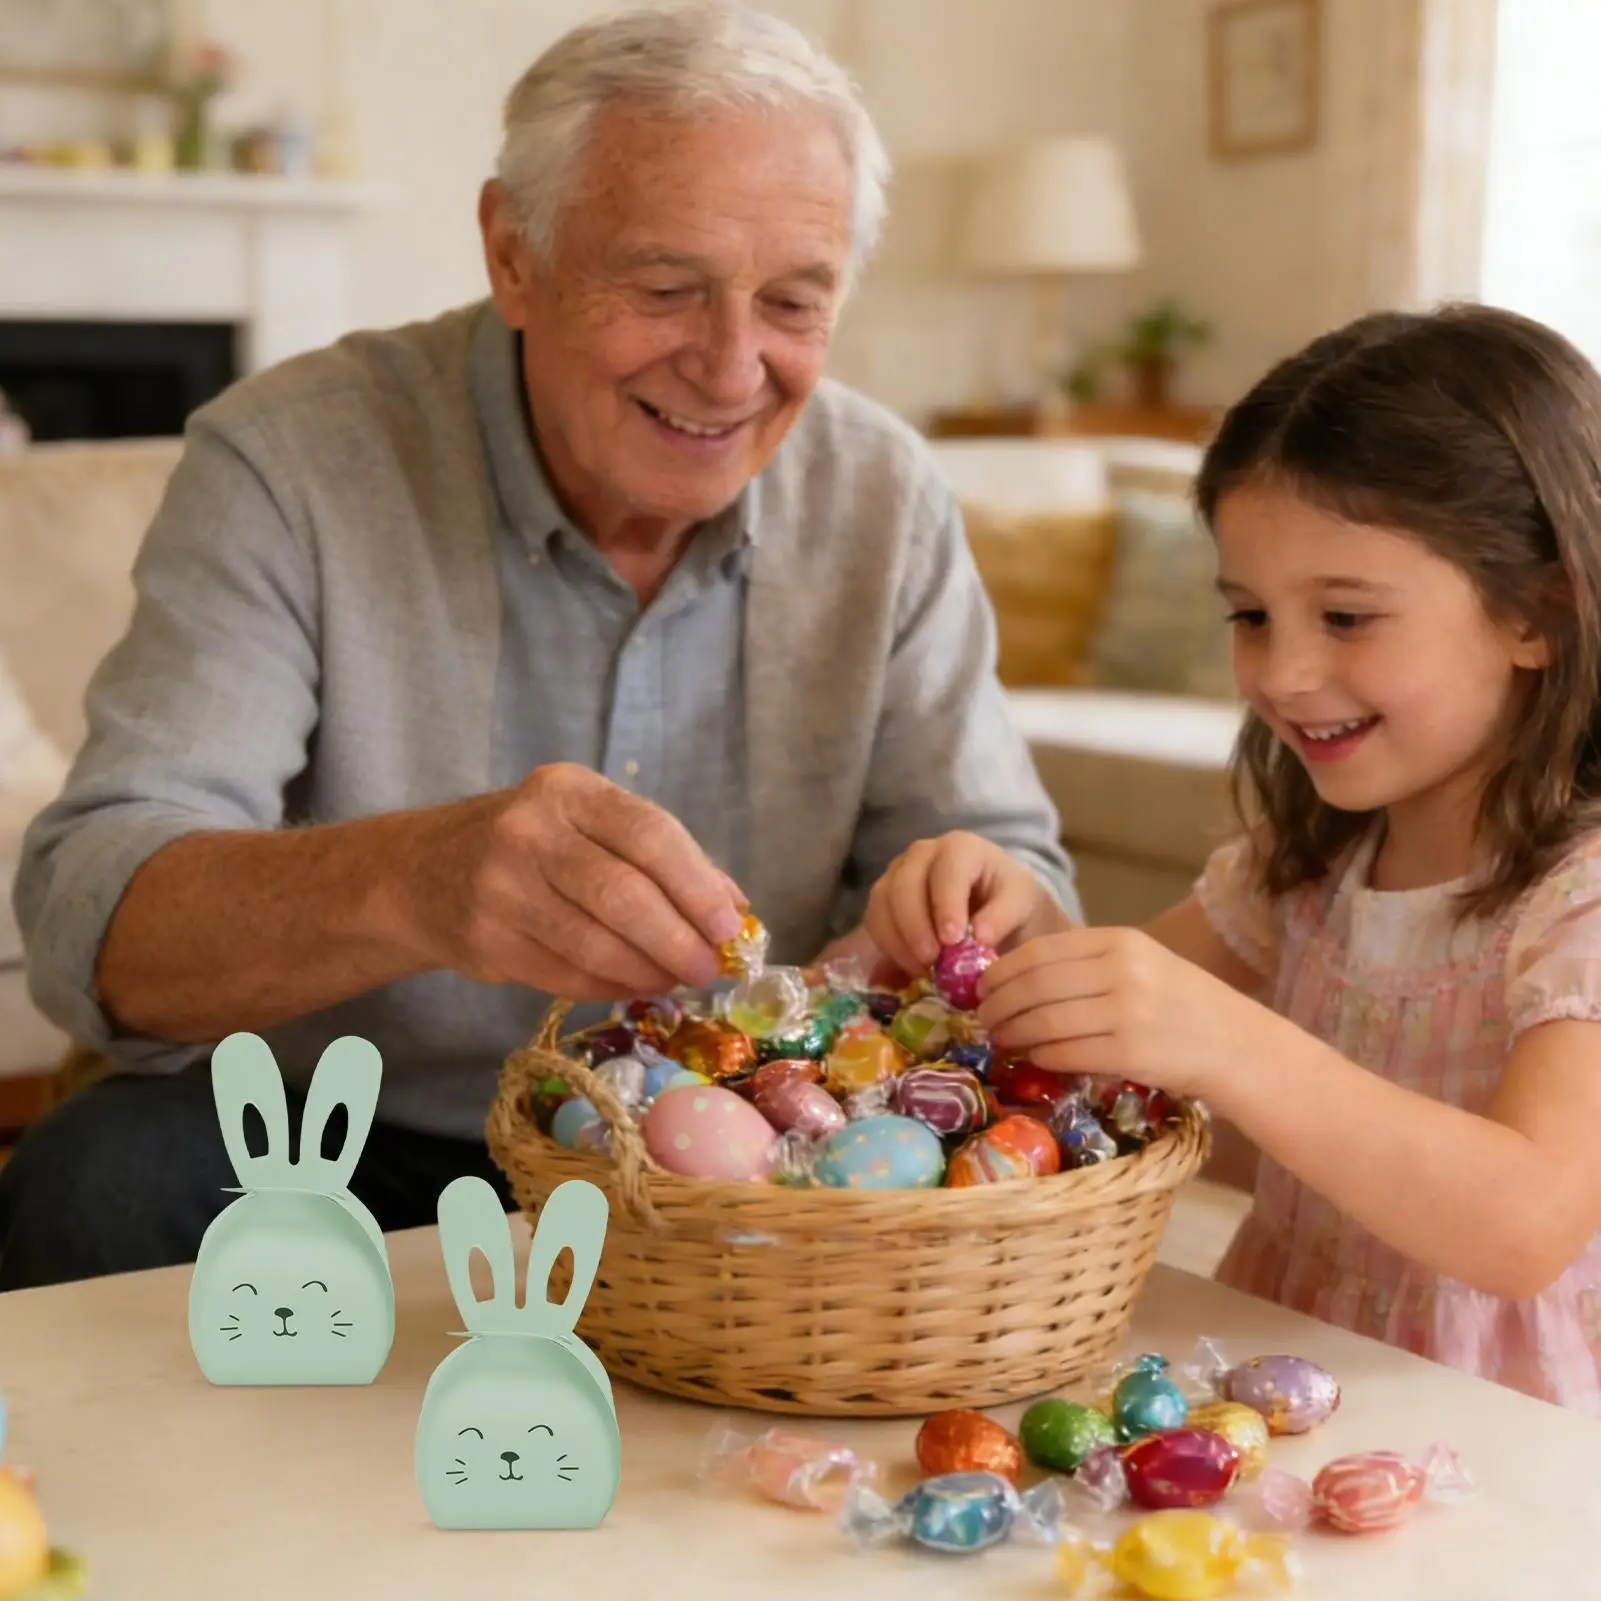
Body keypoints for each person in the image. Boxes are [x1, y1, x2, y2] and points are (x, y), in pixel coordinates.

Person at [0, 3, 1075, 1291]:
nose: (731, 367)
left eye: (793, 301)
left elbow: (1014, 871)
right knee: (96, 1182)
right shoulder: (291, 460)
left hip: (754, 1183)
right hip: (339, 1137)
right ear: (513, 254)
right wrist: (412, 880)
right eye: (665, 288)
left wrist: (973, 908)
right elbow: (91, 917)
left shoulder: (882, 495)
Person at [869, 303, 1601, 1415]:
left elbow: (1524, 1224)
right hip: (1286, 1377)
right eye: (1250, 615)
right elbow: (1112, 1043)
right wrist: (1020, 931)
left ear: (1536, 614)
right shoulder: (1302, 863)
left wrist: (1229, 1042)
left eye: (1345, 616)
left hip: (1494, 1425)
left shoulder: (1577, 899)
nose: (1283, 673)